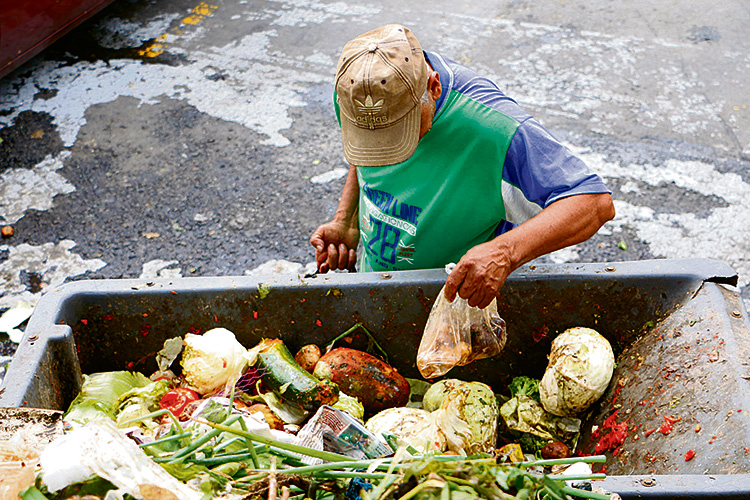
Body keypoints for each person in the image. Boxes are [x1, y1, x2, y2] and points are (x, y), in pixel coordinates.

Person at [310, 24, 615, 309]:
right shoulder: (358, 91)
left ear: (434, 87)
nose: (387, 147)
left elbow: (593, 203)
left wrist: (505, 253)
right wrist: (346, 220)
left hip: (460, 306)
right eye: (374, 136)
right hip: (378, 286)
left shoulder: (494, 128)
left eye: (399, 132)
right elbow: (364, 154)